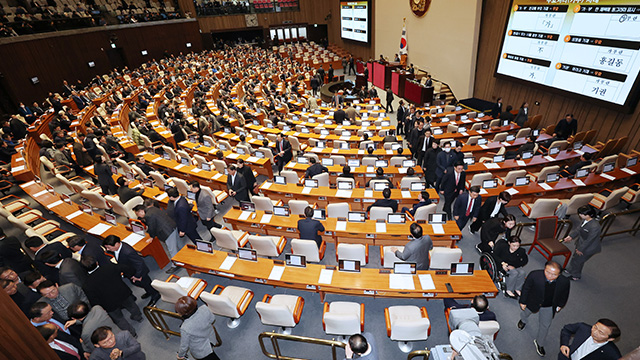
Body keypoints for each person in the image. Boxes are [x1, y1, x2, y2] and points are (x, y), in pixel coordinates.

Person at [518, 260, 571, 357]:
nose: (550, 276)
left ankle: (539, 343)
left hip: (549, 305)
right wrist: (523, 301)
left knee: (545, 326)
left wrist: (560, 305)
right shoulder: (534, 275)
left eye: (554, 274)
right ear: (544, 269)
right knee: (526, 313)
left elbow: (565, 294)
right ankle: (523, 320)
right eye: (547, 272)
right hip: (532, 301)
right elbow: (526, 288)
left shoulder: (564, 281)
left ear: (559, 274)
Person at [80, 255, 142, 337]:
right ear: (97, 262)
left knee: (119, 319)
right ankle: (138, 317)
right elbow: (126, 268)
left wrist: (101, 308)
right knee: (131, 305)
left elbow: (94, 300)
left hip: (109, 303)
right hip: (122, 293)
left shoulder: (87, 285)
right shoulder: (109, 267)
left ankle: (132, 333)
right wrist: (131, 275)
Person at [102, 235, 161, 305]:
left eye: (108, 247)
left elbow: (140, 263)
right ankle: (149, 291)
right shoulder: (117, 249)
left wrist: (137, 276)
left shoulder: (128, 252)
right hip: (131, 271)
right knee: (140, 284)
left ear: (117, 244)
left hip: (139, 273)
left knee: (145, 282)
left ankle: (155, 294)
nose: (107, 249)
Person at [132, 200, 180, 271]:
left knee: (172, 249)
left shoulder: (148, 215)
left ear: (141, 211)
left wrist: (151, 236)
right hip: (172, 226)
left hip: (167, 232)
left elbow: (152, 227)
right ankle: (180, 259)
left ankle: (176, 265)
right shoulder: (152, 208)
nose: (138, 216)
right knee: (176, 245)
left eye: (137, 214)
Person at [563, 205, 601, 281]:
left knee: (579, 261)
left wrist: (580, 249)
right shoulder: (585, 220)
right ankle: (570, 269)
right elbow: (578, 229)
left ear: (588, 215)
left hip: (588, 248)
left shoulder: (595, 226)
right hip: (581, 243)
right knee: (575, 258)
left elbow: (590, 240)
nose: (579, 215)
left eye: (581, 214)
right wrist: (571, 236)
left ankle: (576, 276)